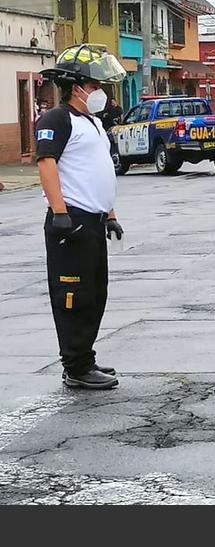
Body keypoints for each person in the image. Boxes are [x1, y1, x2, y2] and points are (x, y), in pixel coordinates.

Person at [35, 44, 127, 390]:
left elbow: (97, 172)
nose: (100, 93)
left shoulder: (92, 123)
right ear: (77, 87)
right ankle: (75, 366)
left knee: (94, 292)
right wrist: (60, 213)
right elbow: (47, 163)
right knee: (72, 296)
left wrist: (110, 215)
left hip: (93, 220)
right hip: (70, 221)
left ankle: (85, 358)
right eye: (96, 87)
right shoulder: (57, 119)